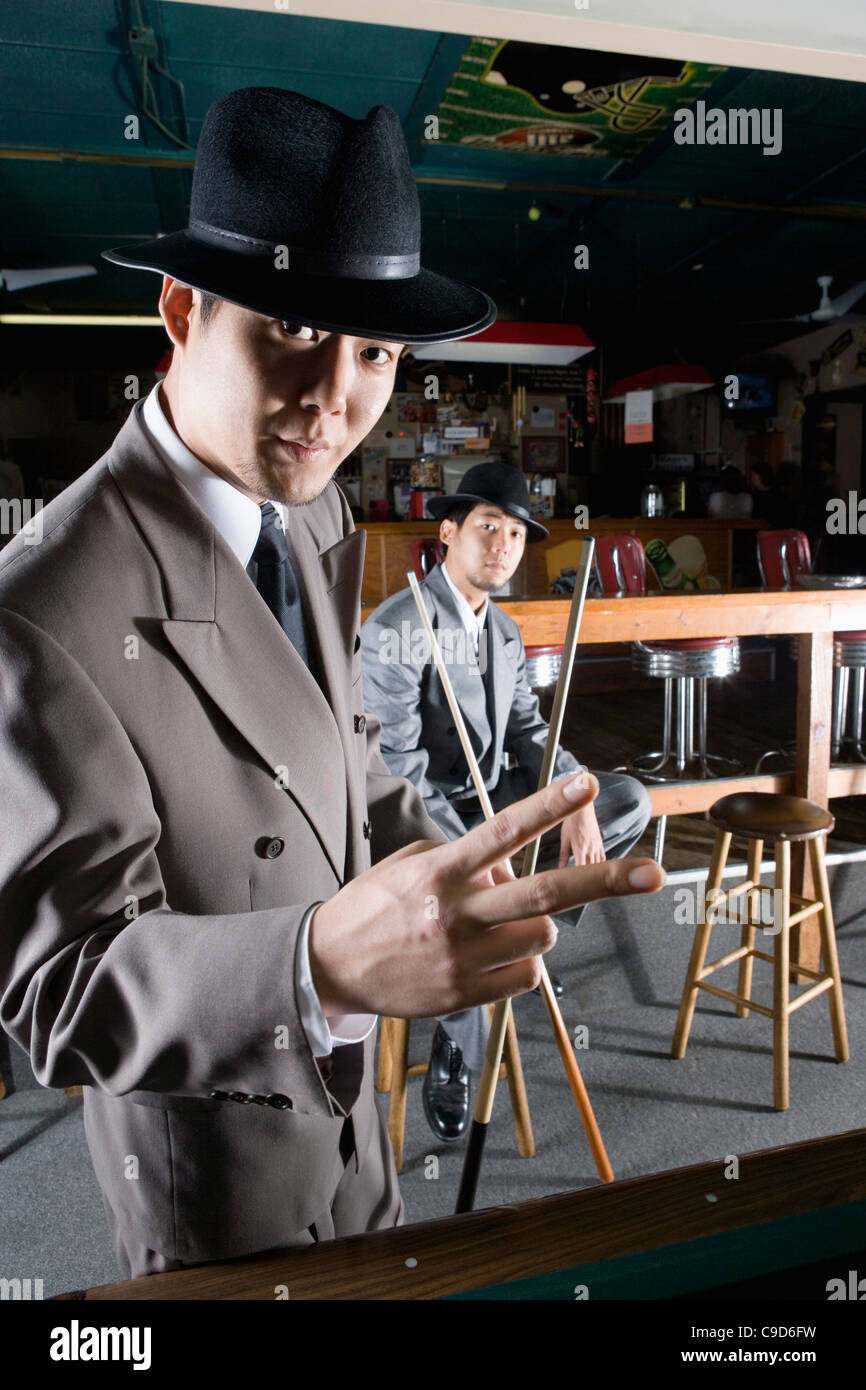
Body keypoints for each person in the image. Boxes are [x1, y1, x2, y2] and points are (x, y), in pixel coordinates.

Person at [0, 88, 664, 1280]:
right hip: (215, 1187)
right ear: (183, 307)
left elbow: (339, 753)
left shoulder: (312, 513)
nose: (332, 400)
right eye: (292, 329)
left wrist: (464, 865)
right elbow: (57, 993)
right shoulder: (38, 610)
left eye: (371, 351)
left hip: (364, 1124)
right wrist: (317, 967)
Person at [361, 463, 653, 1140]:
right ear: (447, 533)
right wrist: (476, 853)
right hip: (423, 822)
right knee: (471, 891)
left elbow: (528, 731)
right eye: (487, 526)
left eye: (515, 533)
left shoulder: (507, 631)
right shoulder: (397, 628)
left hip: (500, 804)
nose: (502, 545)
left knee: (627, 801)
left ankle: (510, 922)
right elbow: (397, 773)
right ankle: (458, 1041)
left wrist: (573, 793)